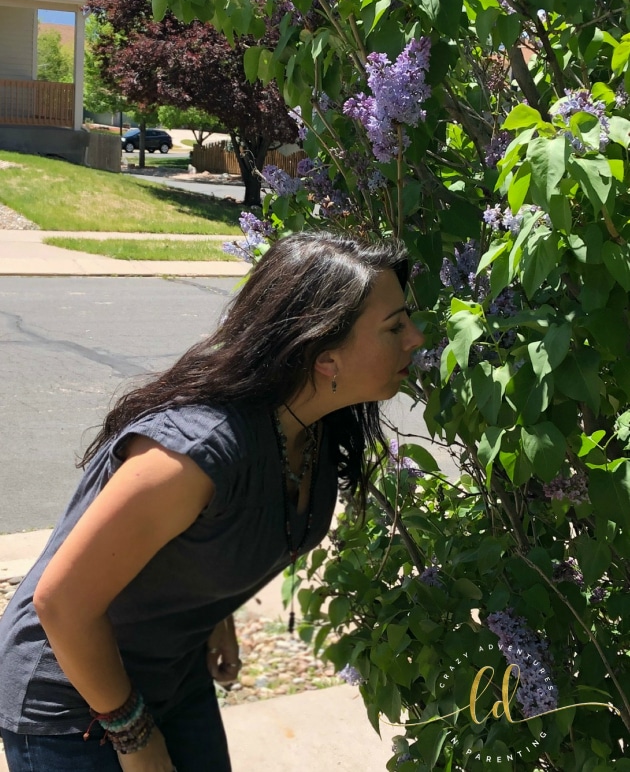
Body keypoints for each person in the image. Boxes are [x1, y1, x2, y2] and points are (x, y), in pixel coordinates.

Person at [0, 231, 424, 772]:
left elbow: (216, 537)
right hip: (71, 701)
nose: (415, 338)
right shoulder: (194, 454)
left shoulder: (313, 428)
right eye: (395, 327)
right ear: (324, 355)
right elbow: (60, 603)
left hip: (174, 676)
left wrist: (213, 609)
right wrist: (135, 738)